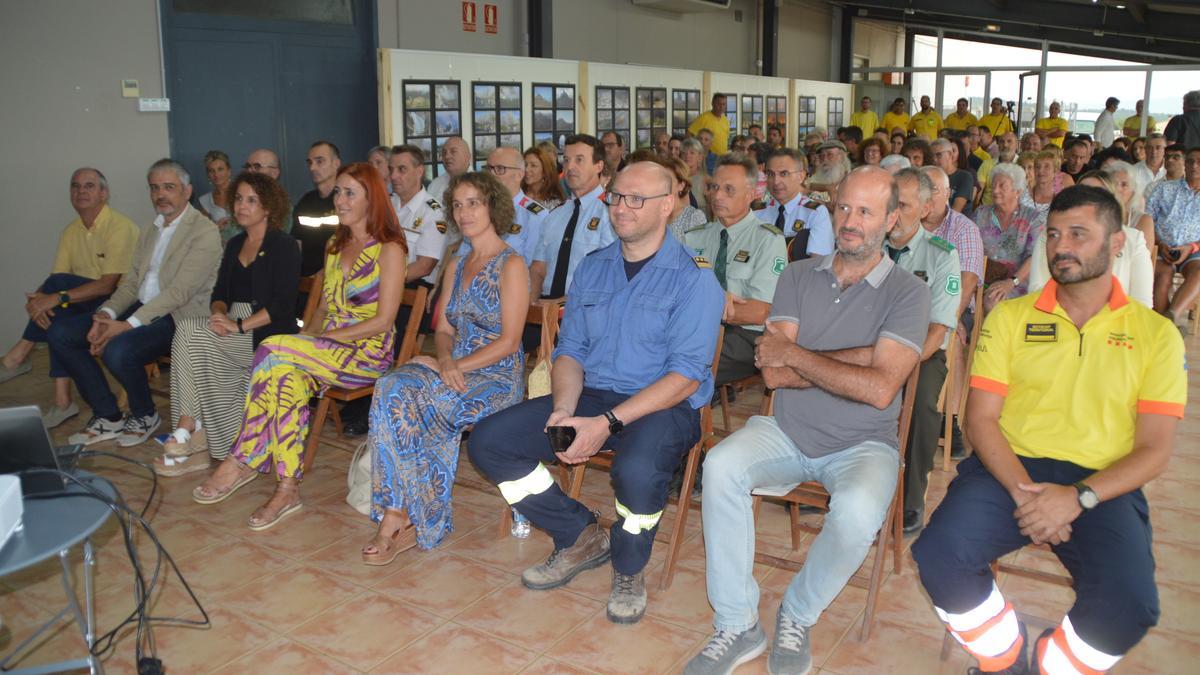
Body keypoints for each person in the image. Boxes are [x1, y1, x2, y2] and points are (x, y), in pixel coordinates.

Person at [913, 185, 1184, 675]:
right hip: (1008, 469)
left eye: (1079, 234)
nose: (1061, 247)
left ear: (1117, 243)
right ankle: (1006, 658)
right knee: (939, 555)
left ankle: (1048, 665)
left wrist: (1075, 498)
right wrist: (1027, 496)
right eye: (1054, 234)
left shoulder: (1156, 334)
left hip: (1103, 483)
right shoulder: (1012, 317)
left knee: (1130, 603)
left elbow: (1154, 450)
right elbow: (980, 421)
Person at [684, 167, 930, 675]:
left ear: (890, 219)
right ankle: (737, 624)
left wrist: (803, 355)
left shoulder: (909, 292)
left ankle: (797, 612)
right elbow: (773, 375)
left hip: (866, 444)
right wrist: (861, 359)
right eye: (843, 208)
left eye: (866, 211)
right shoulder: (797, 274)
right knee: (721, 467)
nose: (851, 221)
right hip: (786, 432)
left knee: (860, 511)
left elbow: (882, 388)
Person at [469, 161, 724, 625]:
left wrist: (605, 425)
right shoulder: (594, 266)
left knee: (638, 470)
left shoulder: (694, 275)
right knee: (489, 442)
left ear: (667, 205)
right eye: (616, 197)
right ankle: (579, 533)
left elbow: (686, 375)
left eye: (636, 199)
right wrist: (564, 410)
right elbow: (571, 351)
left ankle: (628, 565)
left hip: (662, 405)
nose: (621, 208)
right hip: (589, 397)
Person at [192, 162, 406, 530]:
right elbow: (322, 307)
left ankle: (243, 458)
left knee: (274, 349)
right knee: (284, 376)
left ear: (373, 199)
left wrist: (314, 341)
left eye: (349, 192)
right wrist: (308, 340)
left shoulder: (390, 249)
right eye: (337, 191)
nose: (339, 199)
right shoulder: (335, 245)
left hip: (367, 355)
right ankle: (287, 487)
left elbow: (384, 321)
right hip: (325, 350)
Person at [363, 171, 528, 563]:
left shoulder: (512, 264)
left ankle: (410, 519)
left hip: (497, 374)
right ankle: (399, 514)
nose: (465, 211)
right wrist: (444, 360)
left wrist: (450, 367)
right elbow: (442, 329)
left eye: (474, 202)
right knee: (390, 387)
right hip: (455, 364)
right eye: (458, 204)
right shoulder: (456, 263)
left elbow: (509, 342)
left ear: (493, 207)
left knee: (424, 403)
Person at [57, 159, 221, 447]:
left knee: (118, 350)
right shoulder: (149, 230)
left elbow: (179, 292)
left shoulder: (204, 231)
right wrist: (105, 315)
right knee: (62, 335)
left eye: (169, 187)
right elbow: (132, 283)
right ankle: (108, 415)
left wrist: (125, 326)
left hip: (179, 317)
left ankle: (145, 415)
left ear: (187, 191)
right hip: (143, 308)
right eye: (154, 188)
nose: (161, 194)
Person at [156, 172, 300, 477]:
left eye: (251, 200)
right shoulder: (235, 244)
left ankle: (189, 428)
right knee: (189, 329)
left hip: (266, 332)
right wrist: (219, 315)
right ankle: (192, 433)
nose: (241, 206)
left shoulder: (283, 245)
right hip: (233, 324)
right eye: (238, 198)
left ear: (269, 207)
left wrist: (238, 325)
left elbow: (282, 306)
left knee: (188, 332)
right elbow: (220, 293)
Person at [0, 168, 138, 429]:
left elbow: (108, 285)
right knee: (58, 311)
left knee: (58, 296)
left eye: (88, 186)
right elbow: (56, 280)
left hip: (119, 305)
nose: (81, 192)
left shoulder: (120, 227)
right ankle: (63, 401)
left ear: (104, 193)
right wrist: (38, 302)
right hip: (84, 302)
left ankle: (17, 357)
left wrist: (53, 297)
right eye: (75, 187)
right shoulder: (70, 231)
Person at [886, 168, 962, 535]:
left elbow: (937, 330)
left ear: (927, 207)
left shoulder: (941, 255)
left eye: (903, 205)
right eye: (890, 204)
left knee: (919, 405)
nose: (894, 214)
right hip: (866, 349)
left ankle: (910, 497)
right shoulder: (866, 246)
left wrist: (898, 366)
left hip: (921, 355)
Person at [684, 155, 787, 389]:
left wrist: (708, 303)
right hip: (694, 329)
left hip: (745, 337)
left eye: (729, 190)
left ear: (751, 194)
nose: (717, 196)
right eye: (714, 187)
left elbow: (761, 311)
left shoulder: (767, 239)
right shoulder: (694, 237)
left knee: (682, 365)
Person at [1029, 170, 1153, 307]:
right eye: (1081, 195)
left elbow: (1143, 304)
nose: (1086, 203)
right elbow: (1036, 290)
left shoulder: (1133, 240)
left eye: (1097, 197)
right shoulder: (1051, 236)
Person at [531, 134, 615, 301]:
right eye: (566, 160)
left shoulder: (610, 213)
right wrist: (531, 308)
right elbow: (538, 270)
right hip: (547, 311)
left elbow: (612, 275)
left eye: (579, 160)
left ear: (598, 166)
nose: (570, 167)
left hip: (586, 310)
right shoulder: (554, 215)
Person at [456, 146, 550, 265]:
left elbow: (533, 269)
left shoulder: (535, 216)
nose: (491, 175)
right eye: (489, 168)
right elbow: (462, 256)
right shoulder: (478, 210)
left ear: (519, 175)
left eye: (500, 169)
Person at [974, 164, 1043, 309]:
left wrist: (1012, 282)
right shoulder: (980, 214)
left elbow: (1035, 256)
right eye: (993, 185)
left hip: (1017, 282)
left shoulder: (1033, 219)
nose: (995, 190)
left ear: (1017, 191)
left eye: (1002, 186)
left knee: (994, 300)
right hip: (981, 279)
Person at [389, 145, 454, 289]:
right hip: (381, 286)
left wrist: (382, 284)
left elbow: (424, 267)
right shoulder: (385, 205)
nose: (393, 176)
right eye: (391, 169)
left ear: (419, 172)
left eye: (401, 169)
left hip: (414, 289)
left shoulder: (434, 212)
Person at [1150, 147, 1200, 322]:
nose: (1195, 166)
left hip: (1194, 250)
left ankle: (1171, 317)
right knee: (1163, 276)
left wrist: (1191, 247)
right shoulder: (1164, 189)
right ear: (1185, 164)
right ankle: (1166, 325)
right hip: (1163, 246)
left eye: (1199, 162)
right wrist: (1160, 243)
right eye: (1191, 161)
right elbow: (1147, 220)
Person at [755, 149, 834, 260]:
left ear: (801, 176)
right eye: (770, 174)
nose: (776, 181)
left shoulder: (814, 213)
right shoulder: (757, 213)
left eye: (784, 174)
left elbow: (818, 263)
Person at [292, 140, 343, 277]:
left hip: (338, 277)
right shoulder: (306, 202)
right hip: (305, 279)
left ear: (336, 163)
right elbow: (297, 243)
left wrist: (321, 276)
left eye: (320, 161)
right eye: (310, 162)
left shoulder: (346, 201)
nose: (313, 168)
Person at [659, 156, 707, 242]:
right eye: (659, 180)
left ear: (681, 185)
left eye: (668, 180)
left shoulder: (693, 217)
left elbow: (698, 251)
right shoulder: (654, 214)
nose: (662, 185)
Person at [195, 150, 234, 240]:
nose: (216, 174)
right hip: (219, 249)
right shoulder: (205, 200)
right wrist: (216, 228)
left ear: (229, 171)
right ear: (208, 175)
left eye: (220, 169)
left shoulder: (242, 193)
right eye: (211, 171)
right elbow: (201, 233)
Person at [976, 131, 1019, 208]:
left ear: (1017, 145)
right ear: (998, 145)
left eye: (1009, 141)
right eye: (1001, 142)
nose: (1005, 145)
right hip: (987, 211)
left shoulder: (1023, 165)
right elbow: (978, 192)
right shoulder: (986, 164)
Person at [426, 136, 472, 208]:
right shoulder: (435, 185)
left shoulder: (481, 186)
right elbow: (430, 210)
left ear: (468, 156)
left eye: (453, 151)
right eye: (444, 153)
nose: (447, 156)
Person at [932, 138, 975, 213]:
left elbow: (956, 211)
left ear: (950, 154)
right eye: (932, 156)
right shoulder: (931, 177)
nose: (934, 159)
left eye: (939, 155)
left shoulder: (965, 177)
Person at [523, 145, 566, 211]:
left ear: (545, 171)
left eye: (533, 165)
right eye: (525, 165)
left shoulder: (554, 202)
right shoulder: (518, 193)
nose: (526, 169)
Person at [681, 137, 708, 212]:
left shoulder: (706, 180)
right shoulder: (676, 179)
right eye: (684, 153)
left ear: (699, 157)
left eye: (692, 153)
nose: (687, 156)